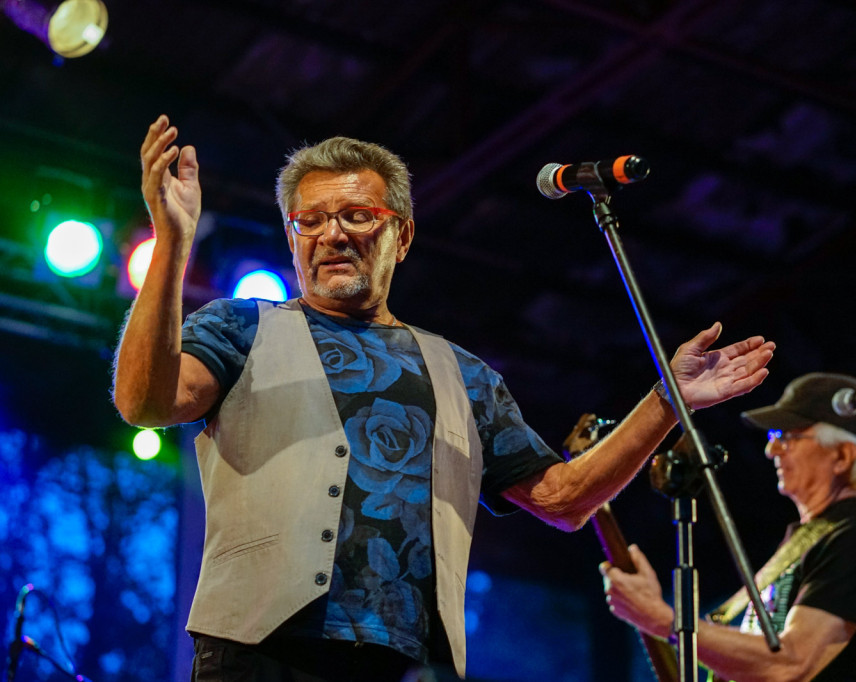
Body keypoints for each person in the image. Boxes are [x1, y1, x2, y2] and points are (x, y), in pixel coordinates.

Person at [112, 115, 776, 681]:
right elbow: (146, 402)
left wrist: (668, 399)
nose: (333, 234)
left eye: (357, 216)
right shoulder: (239, 327)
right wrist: (172, 241)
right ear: (291, 238)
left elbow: (563, 500)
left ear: (401, 235)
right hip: (262, 654)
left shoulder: (465, 373)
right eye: (310, 221)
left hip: (415, 662)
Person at [600, 372, 856, 682]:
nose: (770, 451)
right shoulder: (804, 542)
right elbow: (762, 662)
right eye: (773, 437)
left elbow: (791, 663)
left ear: (842, 456)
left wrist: (661, 619)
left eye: (787, 437)